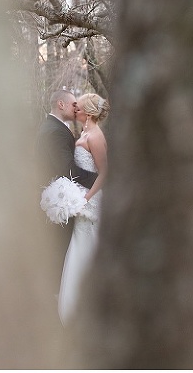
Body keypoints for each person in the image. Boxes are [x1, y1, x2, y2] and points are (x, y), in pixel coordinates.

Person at [57, 92, 109, 324]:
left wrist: (85, 199)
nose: (74, 109)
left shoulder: (96, 136)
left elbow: (105, 173)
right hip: (83, 201)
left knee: (89, 246)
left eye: (78, 107)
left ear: (87, 112)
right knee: (79, 247)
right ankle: (76, 306)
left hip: (91, 203)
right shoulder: (86, 133)